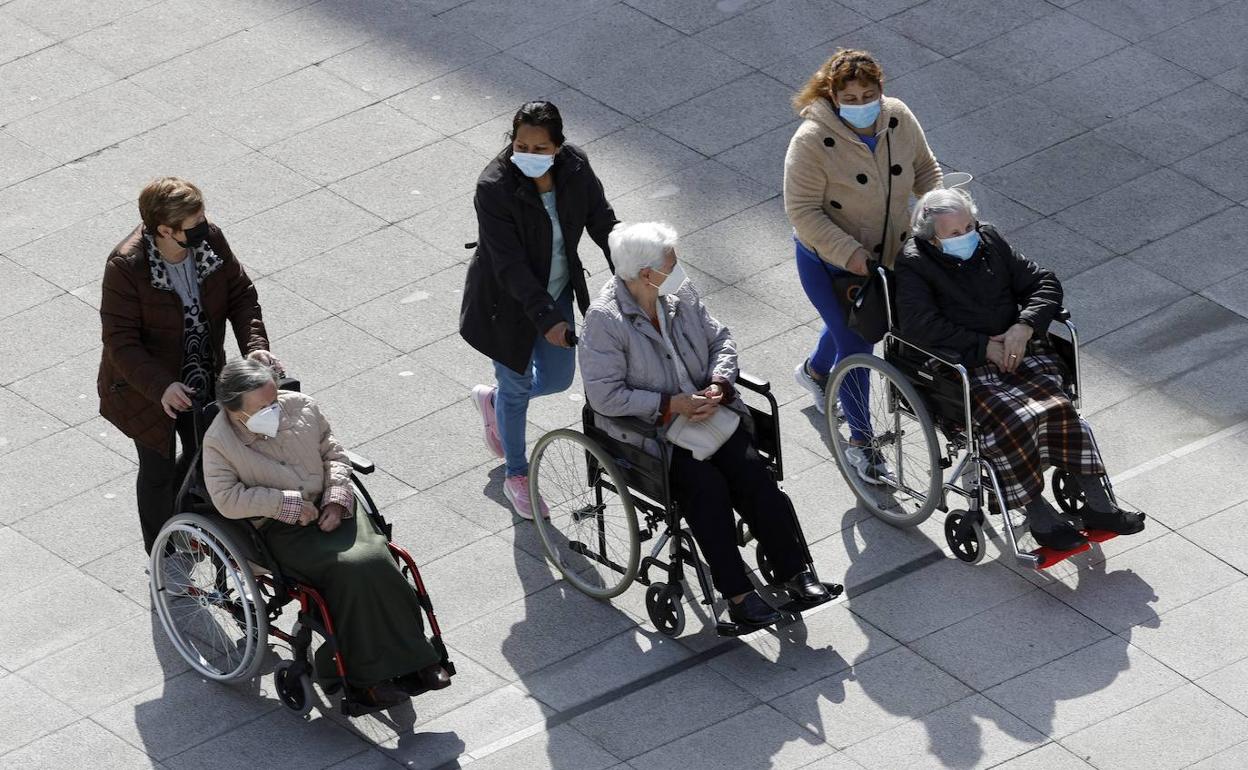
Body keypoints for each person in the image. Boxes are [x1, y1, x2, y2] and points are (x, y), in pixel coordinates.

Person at [579, 222, 840, 629]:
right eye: (671, 262)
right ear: (647, 274)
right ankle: (737, 595)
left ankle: (796, 573)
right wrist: (670, 404)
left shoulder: (679, 293)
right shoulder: (605, 321)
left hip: (709, 414)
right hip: (655, 435)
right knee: (707, 490)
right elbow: (604, 396)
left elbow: (722, 340)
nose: (678, 268)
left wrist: (719, 383)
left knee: (753, 473)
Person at [895, 189, 1146, 550]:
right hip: (962, 361)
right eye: (954, 233)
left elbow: (1042, 281)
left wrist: (1024, 325)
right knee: (1012, 418)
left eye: (970, 226)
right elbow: (921, 326)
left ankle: (1098, 504)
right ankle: (1036, 512)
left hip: (1019, 347)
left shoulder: (990, 240)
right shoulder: (914, 263)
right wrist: (985, 346)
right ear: (932, 237)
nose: (966, 236)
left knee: (1059, 406)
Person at [202, 359, 451, 710]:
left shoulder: (302, 407)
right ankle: (356, 677)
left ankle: (418, 657)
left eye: (275, 400)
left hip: (335, 508)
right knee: (351, 571)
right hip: (283, 527)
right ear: (234, 408)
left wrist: (336, 498)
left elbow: (334, 455)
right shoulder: (219, 443)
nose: (274, 409)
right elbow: (227, 499)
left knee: (380, 559)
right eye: (263, 407)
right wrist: (286, 505)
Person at [98, 177, 282, 555]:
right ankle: (162, 555)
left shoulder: (209, 239)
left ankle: (187, 524)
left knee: (206, 452)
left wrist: (255, 348)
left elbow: (241, 295)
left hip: (203, 373)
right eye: (193, 223)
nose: (204, 226)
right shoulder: (127, 266)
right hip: (147, 389)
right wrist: (161, 387)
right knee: (158, 468)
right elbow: (121, 341)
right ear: (165, 230)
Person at [783, 48, 943, 483]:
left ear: (881, 91)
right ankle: (862, 443)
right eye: (849, 98)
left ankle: (815, 372)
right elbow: (802, 211)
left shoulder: (898, 118)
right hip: (830, 260)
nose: (859, 104)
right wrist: (850, 253)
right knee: (858, 341)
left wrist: (941, 212)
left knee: (850, 322)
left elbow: (925, 170)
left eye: (867, 95)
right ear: (833, 95)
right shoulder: (811, 142)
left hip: (888, 252)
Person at [459, 100, 619, 519]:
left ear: (559, 147)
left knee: (556, 378)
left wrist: (633, 265)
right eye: (521, 146)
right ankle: (517, 474)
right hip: (506, 305)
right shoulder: (493, 186)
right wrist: (547, 319)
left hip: (557, 291)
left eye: (540, 148)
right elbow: (509, 265)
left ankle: (492, 402)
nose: (529, 155)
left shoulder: (576, 168)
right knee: (516, 388)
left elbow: (602, 221)